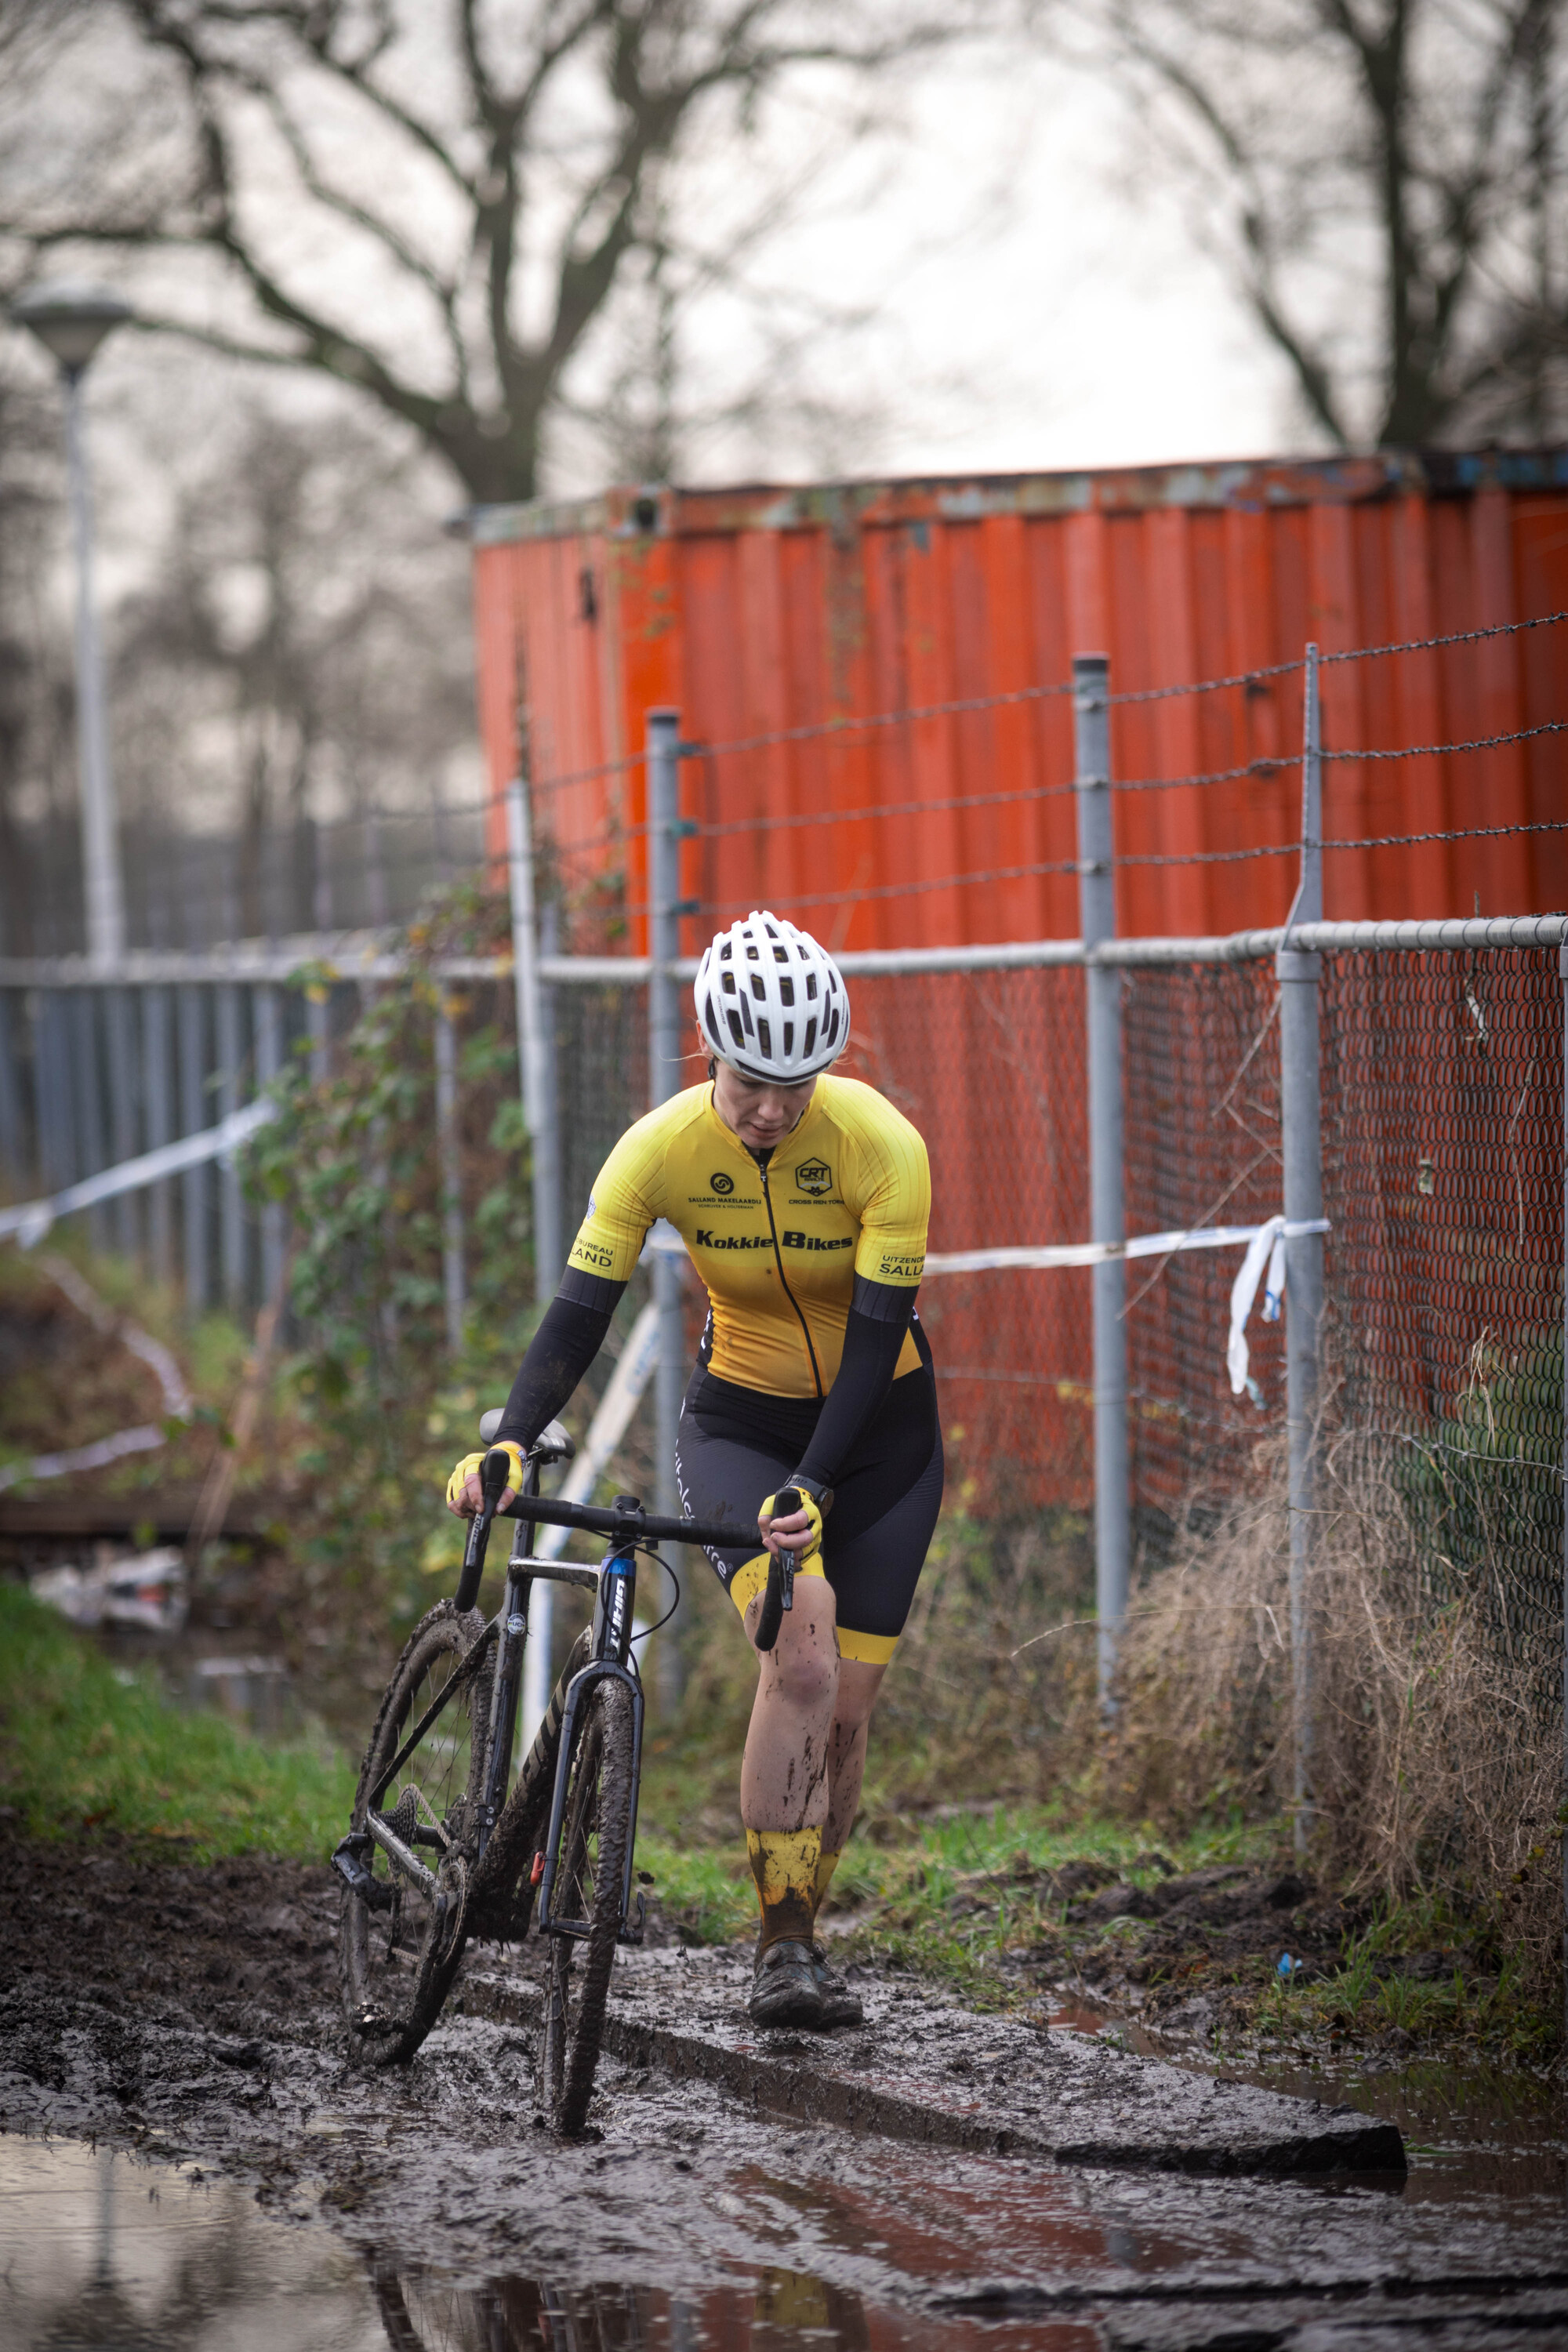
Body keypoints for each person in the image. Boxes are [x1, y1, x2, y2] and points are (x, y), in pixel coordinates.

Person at [446, 910, 943, 2030]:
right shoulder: (659, 1149)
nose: (772, 1106)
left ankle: (801, 1928)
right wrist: (516, 1435)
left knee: (847, 1715)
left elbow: (874, 1346)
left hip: (886, 1443)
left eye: (798, 1082)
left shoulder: (884, 1148)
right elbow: (581, 1313)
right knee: (802, 1652)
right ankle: (786, 1951)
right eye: (750, 1077)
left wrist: (818, 1484)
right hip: (739, 1431)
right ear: (707, 1049)